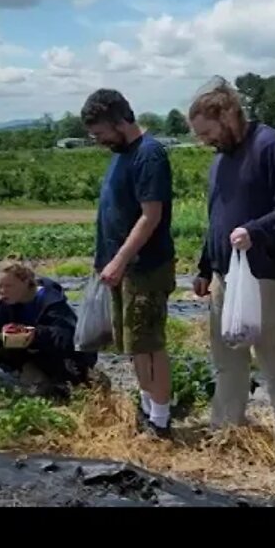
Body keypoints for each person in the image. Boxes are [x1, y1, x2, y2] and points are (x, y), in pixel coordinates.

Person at [188, 76, 275, 468]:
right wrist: (206, 265)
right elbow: (216, 219)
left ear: (227, 115)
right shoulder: (220, 160)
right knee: (227, 361)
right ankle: (227, 430)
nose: (205, 141)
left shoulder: (271, 148)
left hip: (265, 277)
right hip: (227, 278)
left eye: (207, 132)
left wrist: (256, 231)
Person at [82, 88, 177, 438]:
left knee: (149, 344)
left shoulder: (149, 155)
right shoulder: (121, 154)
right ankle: (149, 408)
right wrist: (104, 261)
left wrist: (120, 259)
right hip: (121, 267)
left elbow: (151, 216)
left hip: (145, 267)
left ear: (121, 121)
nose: (99, 140)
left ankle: (162, 420)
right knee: (134, 344)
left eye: (101, 133)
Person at [0, 263, 96, 398]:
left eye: (8, 286)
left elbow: (66, 338)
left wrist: (36, 335)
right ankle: (36, 380)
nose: (2, 291)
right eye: (0, 286)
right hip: (37, 351)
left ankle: (80, 380)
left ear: (26, 281)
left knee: (69, 390)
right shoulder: (11, 300)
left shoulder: (52, 302)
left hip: (67, 355)